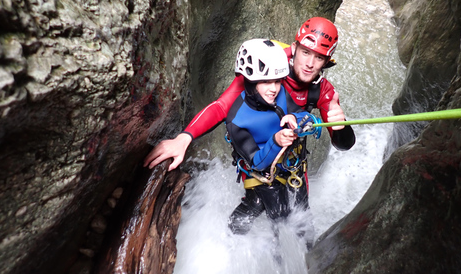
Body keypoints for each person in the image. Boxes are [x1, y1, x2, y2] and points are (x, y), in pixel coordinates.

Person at [144, 17, 355, 171]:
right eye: (306, 53)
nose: (309, 64)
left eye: (319, 58)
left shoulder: (322, 90)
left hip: (290, 156)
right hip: (254, 148)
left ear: (327, 62)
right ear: (294, 48)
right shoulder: (268, 61)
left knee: (299, 219)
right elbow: (222, 106)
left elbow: (344, 144)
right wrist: (183, 138)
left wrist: (341, 125)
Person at [224, 38, 311, 235]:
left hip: (292, 167)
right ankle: (234, 240)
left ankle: (309, 255)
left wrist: (298, 118)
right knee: (281, 218)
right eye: (266, 81)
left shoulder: (280, 95)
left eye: (277, 81)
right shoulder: (237, 120)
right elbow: (256, 161)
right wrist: (276, 141)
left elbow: (305, 117)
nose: (274, 88)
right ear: (250, 81)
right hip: (263, 176)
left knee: (303, 217)